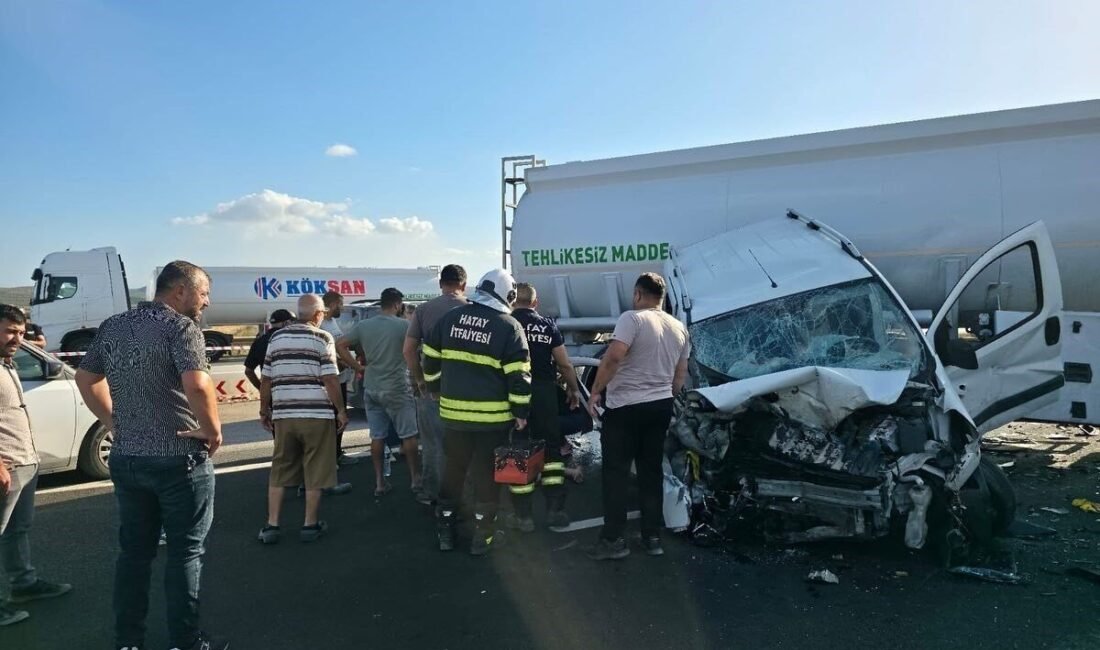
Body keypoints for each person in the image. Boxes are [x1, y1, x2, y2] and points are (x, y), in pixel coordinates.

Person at [74, 261, 228, 650]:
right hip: (178, 457)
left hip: (127, 458)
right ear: (180, 291)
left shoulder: (113, 325)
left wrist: (113, 421)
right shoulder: (181, 327)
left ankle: (128, 640)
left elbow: (85, 377)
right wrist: (212, 429)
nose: (206, 302)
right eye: (204, 293)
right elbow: (198, 382)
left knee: (134, 554)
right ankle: (185, 640)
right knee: (185, 552)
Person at [423, 268, 531, 555]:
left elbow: (429, 358)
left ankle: (445, 531)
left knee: (453, 472)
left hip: (454, 417)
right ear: (507, 294)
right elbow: (519, 375)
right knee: (486, 477)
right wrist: (521, 411)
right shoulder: (509, 326)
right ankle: (482, 537)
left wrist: (434, 387)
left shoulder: (450, 319)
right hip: (491, 421)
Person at [586, 273, 689, 561]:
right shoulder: (679, 328)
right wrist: (663, 396)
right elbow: (680, 376)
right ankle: (652, 536)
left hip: (625, 409)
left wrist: (595, 391)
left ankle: (614, 540)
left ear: (637, 294)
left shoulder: (632, 319)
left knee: (616, 474)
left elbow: (614, 357)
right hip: (660, 407)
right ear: (663, 297)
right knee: (651, 472)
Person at [0, 304, 71, 627]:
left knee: (17, 531)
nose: (16, 338)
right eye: (9, 331)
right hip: (5, 465)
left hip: (23, 461)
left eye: (19, 332)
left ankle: (23, 584)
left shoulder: (7, 364)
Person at [258, 294, 348, 545]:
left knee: (280, 468)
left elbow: (266, 379)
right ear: (318, 314)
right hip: (316, 414)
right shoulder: (322, 337)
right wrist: (340, 410)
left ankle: (272, 525)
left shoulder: (276, 337)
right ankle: (310, 524)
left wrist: (264, 410)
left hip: (285, 414)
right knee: (315, 469)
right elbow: (330, 378)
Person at [504, 283, 580, 533]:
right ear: (535, 303)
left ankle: (522, 516)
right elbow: (565, 364)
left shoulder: (504, 323)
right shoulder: (547, 325)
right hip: (544, 391)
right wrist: (573, 390)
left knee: (517, 450)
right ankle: (555, 511)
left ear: (514, 302)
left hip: (513, 392)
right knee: (551, 449)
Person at [337, 288, 421, 499]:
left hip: (371, 387)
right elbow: (415, 350)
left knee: (377, 436)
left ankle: (380, 482)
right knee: (408, 435)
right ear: (397, 305)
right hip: (397, 387)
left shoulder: (364, 326)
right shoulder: (404, 325)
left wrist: (357, 367)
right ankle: (415, 478)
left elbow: (340, 345)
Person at [402, 264, 468, 506]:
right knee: (466, 443)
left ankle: (432, 494)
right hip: (466, 392)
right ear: (463, 284)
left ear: (441, 284)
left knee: (433, 445)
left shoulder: (424, 311)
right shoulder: (473, 309)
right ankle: (464, 495)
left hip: (432, 390)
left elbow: (408, 350)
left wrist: (420, 381)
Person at [319, 290, 357, 466]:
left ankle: (337, 453)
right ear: (333, 304)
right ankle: (329, 459)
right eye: (341, 304)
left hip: (340, 377)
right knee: (330, 418)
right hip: (328, 379)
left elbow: (340, 344)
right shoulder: (320, 325)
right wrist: (343, 361)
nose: (342, 307)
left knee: (341, 417)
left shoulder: (332, 321)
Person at [243, 309, 296, 390]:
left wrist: (261, 389)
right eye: (293, 323)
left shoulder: (259, 342)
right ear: (287, 323)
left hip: (270, 394)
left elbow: (248, 371)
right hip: (292, 392)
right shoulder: (293, 340)